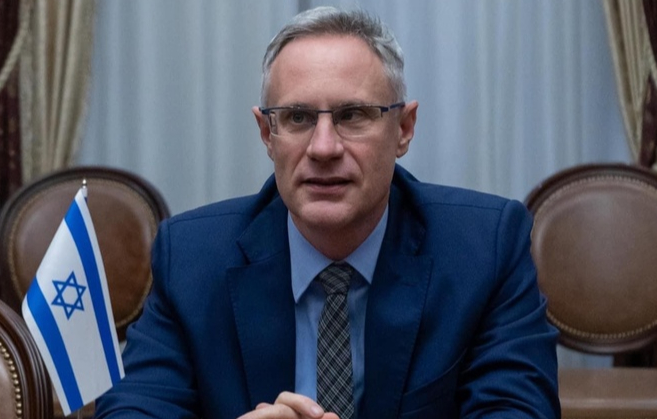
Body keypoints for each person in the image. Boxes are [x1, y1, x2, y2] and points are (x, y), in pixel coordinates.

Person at [95, 6, 560, 419]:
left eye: (352, 115)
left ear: (403, 128)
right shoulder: (191, 259)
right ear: (267, 134)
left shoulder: (485, 249)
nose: (323, 148)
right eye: (297, 118)